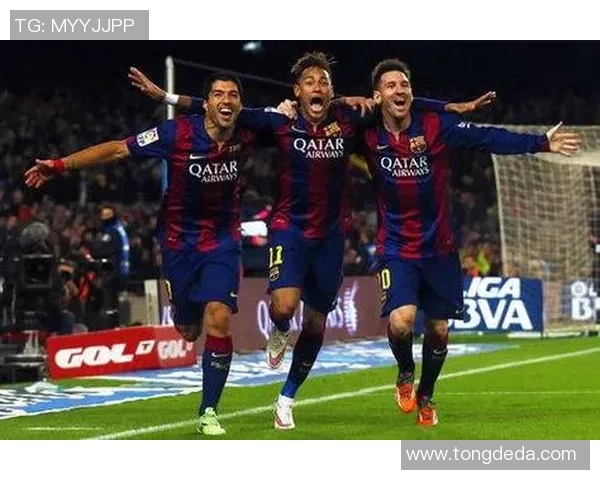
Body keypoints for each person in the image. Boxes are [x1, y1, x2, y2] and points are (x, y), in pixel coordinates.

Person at [128, 56, 494, 430]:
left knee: (316, 323)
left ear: (332, 90)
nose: (317, 87)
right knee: (284, 306)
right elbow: (225, 109)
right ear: (297, 91)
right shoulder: (280, 121)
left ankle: (286, 398)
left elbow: (398, 101)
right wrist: (166, 97)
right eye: (309, 81)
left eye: (324, 81)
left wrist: (449, 108)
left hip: (331, 237)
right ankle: (280, 329)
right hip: (289, 229)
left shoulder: (349, 118)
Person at [24, 71, 282, 436]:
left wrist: (345, 103)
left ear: (241, 103)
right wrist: (61, 165)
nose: (226, 101)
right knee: (189, 330)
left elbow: (304, 120)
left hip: (223, 241)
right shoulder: (176, 133)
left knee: (219, 317)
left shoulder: (249, 129)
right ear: (206, 103)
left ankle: (209, 410)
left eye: (233, 95)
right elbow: (118, 149)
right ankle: (182, 308)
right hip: (178, 244)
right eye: (218, 94)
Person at [362, 58, 581, 426]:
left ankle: (427, 394)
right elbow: (334, 111)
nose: (399, 90)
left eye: (405, 85)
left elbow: (486, 137)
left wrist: (540, 142)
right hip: (396, 248)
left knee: (439, 330)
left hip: (439, 248)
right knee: (402, 322)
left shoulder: (435, 125)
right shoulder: (365, 132)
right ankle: (405, 371)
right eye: (391, 86)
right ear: (377, 96)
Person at [90, 204, 130, 327]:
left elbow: (98, 250)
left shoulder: (112, 231)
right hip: (120, 271)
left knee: (110, 305)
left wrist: (93, 247)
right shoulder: (119, 228)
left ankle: (112, 326)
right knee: (115, 304)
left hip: (113, 272)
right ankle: (117, 324)